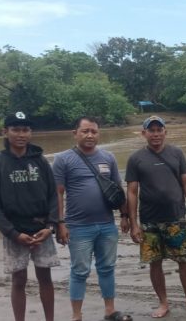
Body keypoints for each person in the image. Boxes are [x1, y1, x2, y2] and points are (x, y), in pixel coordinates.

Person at [125, 115, 186, 318]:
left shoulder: (176, 153)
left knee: (184, 260)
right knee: (155, 262)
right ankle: (163, 303)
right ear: (144, 133)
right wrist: (133, 223)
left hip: (175, 218)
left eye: (159, 130)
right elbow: (132, 192)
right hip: (149, 220)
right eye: (151, 130)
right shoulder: (136, 159)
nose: (155, 134)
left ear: (165, 132)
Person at [52, 116, 132, 321]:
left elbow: (117, 189)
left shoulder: (109, 157)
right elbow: (57, 193)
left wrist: (125, 216)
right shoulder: (63, 159)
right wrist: (60, 224)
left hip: (107, 225)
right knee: (79, 271)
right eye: (85, 131)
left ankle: (110, 310)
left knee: (107, 268)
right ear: (75, 133)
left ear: (99, 134)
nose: (90, 135)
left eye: (94, 132)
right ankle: (76, 315)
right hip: (78, 227)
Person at [0, 111, 60, 321]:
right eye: (15, 129)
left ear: (31, 132)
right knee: (18, 280)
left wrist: (51, 225)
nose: (21, 134)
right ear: (5, 132)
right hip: (14, 232)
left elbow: (53, 194)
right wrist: (12, 233)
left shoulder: (41, 161)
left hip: (42, 229)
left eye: (25, 129)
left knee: (46, 277)